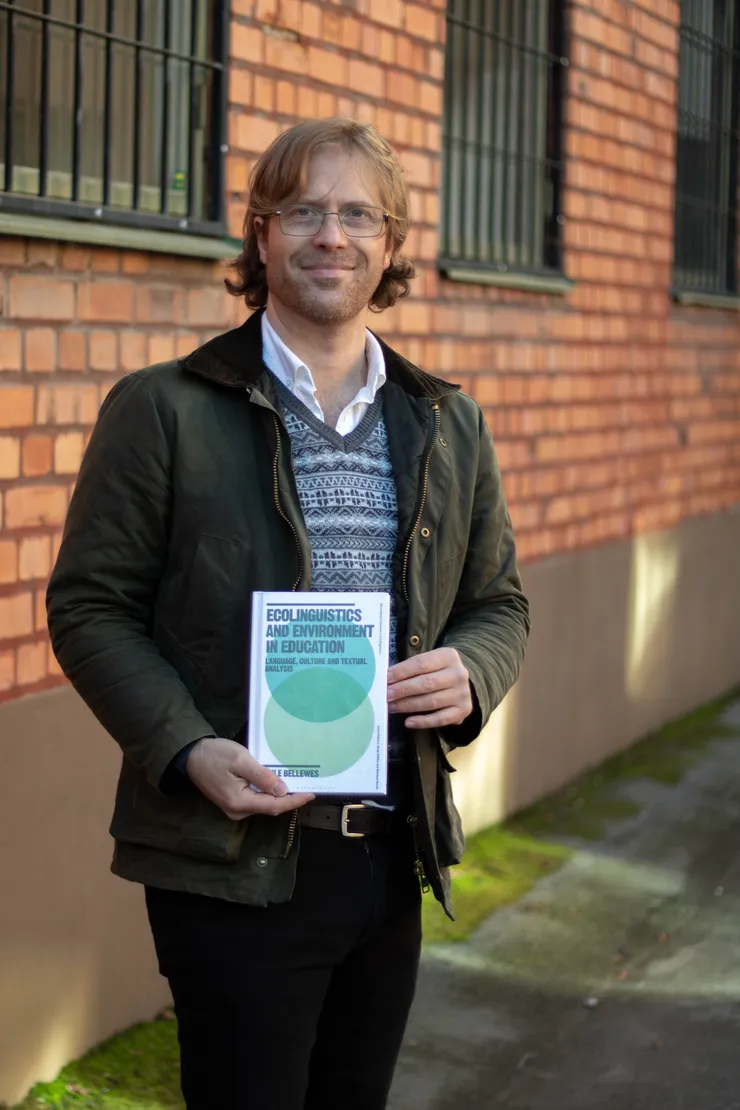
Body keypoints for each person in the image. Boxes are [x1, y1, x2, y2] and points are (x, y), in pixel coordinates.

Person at [46, 117, 530, 1110]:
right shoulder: (165, 408)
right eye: (301, 210)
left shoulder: (444, 422)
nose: (330, 236)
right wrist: (185, 750)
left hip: (388, 853)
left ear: (389, 243)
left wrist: (472, 670)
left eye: (358, 213)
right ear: (260, 235)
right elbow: (91, 608)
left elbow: (497, 603)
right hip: (233, 862)